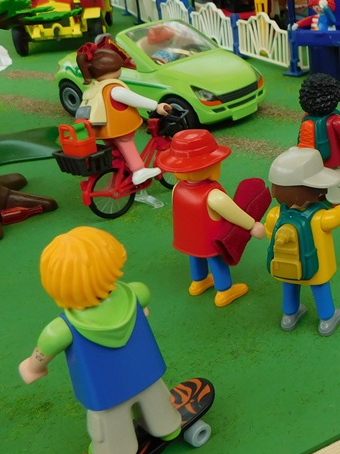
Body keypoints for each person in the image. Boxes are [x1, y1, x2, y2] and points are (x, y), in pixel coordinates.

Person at [19, 227, 182, 454]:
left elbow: (44, 351)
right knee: (155, 399)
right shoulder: (135, 292)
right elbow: (144, 303)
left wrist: (33, 367)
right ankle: (167, 427)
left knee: (110, 423)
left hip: (105, 391)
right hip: (147, 371)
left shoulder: (62, 329)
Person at [265, 147, 340, 337]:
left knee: (289, 285)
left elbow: (270, 234)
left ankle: (289, 316)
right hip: (316, 266)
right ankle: (327, 318)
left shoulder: (275, 214)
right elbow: (339, 215)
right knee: (320, 286)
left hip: (286, 265)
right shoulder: (319, 217)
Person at [155, 129, 266, 305]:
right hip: (210, 239)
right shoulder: (213, 195)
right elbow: (234, 214)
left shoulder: (177, 189)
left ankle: (198, 281)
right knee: (216, 260)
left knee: (195, 256)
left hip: (189, 239)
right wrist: (252, 225)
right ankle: (224, 290)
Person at [75, 43, 171, 185]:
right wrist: (156, 106)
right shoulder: (114, 89)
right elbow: (134, 99)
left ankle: (122, 176)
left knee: (119, 154)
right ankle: (139, 171)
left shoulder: (94, 88)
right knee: (126, 143)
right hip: (118, 128)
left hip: (102, 130)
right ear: (113, 69)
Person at [297, 73, 340, 204]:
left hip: (313, 161)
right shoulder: (336, 121)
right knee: (338, 179)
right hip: (333, 161)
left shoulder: (307, 118)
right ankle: (339, 198)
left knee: (317, 179)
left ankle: (318, 196)